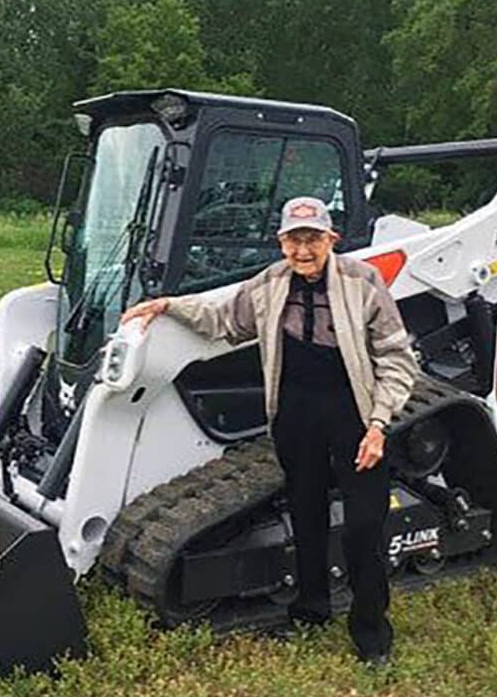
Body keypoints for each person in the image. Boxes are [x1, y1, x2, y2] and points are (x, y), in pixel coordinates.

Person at [120, 196, 418, 666]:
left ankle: (372, 634)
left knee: (364, 525)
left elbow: (397, 358)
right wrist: (166, 306)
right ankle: (311, 609)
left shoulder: (364, 283)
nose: (304, 250)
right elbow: (221, 318)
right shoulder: (269, 284)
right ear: (281, 243)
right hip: (295, 412)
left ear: (331, 240)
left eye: (313, 239)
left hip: (354, 414)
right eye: (294, 240)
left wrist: (379, 424)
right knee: (306, 514)